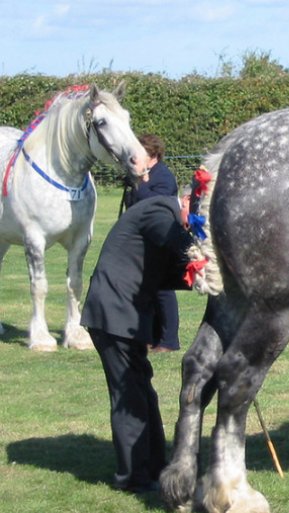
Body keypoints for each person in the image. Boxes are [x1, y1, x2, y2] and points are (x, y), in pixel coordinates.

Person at [81, 190, 193, 493]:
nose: (191, 227)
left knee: (142, 393)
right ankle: (132, 477)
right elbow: (179, 244)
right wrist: (205, 253)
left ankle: (155, 468)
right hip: (113, 315)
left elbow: (172, 273)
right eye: (192, 217)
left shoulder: (167, 221)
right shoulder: (159, 210)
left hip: (125, 317)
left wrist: (210, 278)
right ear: (185, 202)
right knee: (129, 397)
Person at [124, 134, 182, 353]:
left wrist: (139, 184)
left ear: (153, 155)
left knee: (163, 291)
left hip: (160, 239)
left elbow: (155, 204)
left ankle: (169, 340)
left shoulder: (163, 177)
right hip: (142, 239)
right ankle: (152, 336)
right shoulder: (145, 176)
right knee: (146, 290)